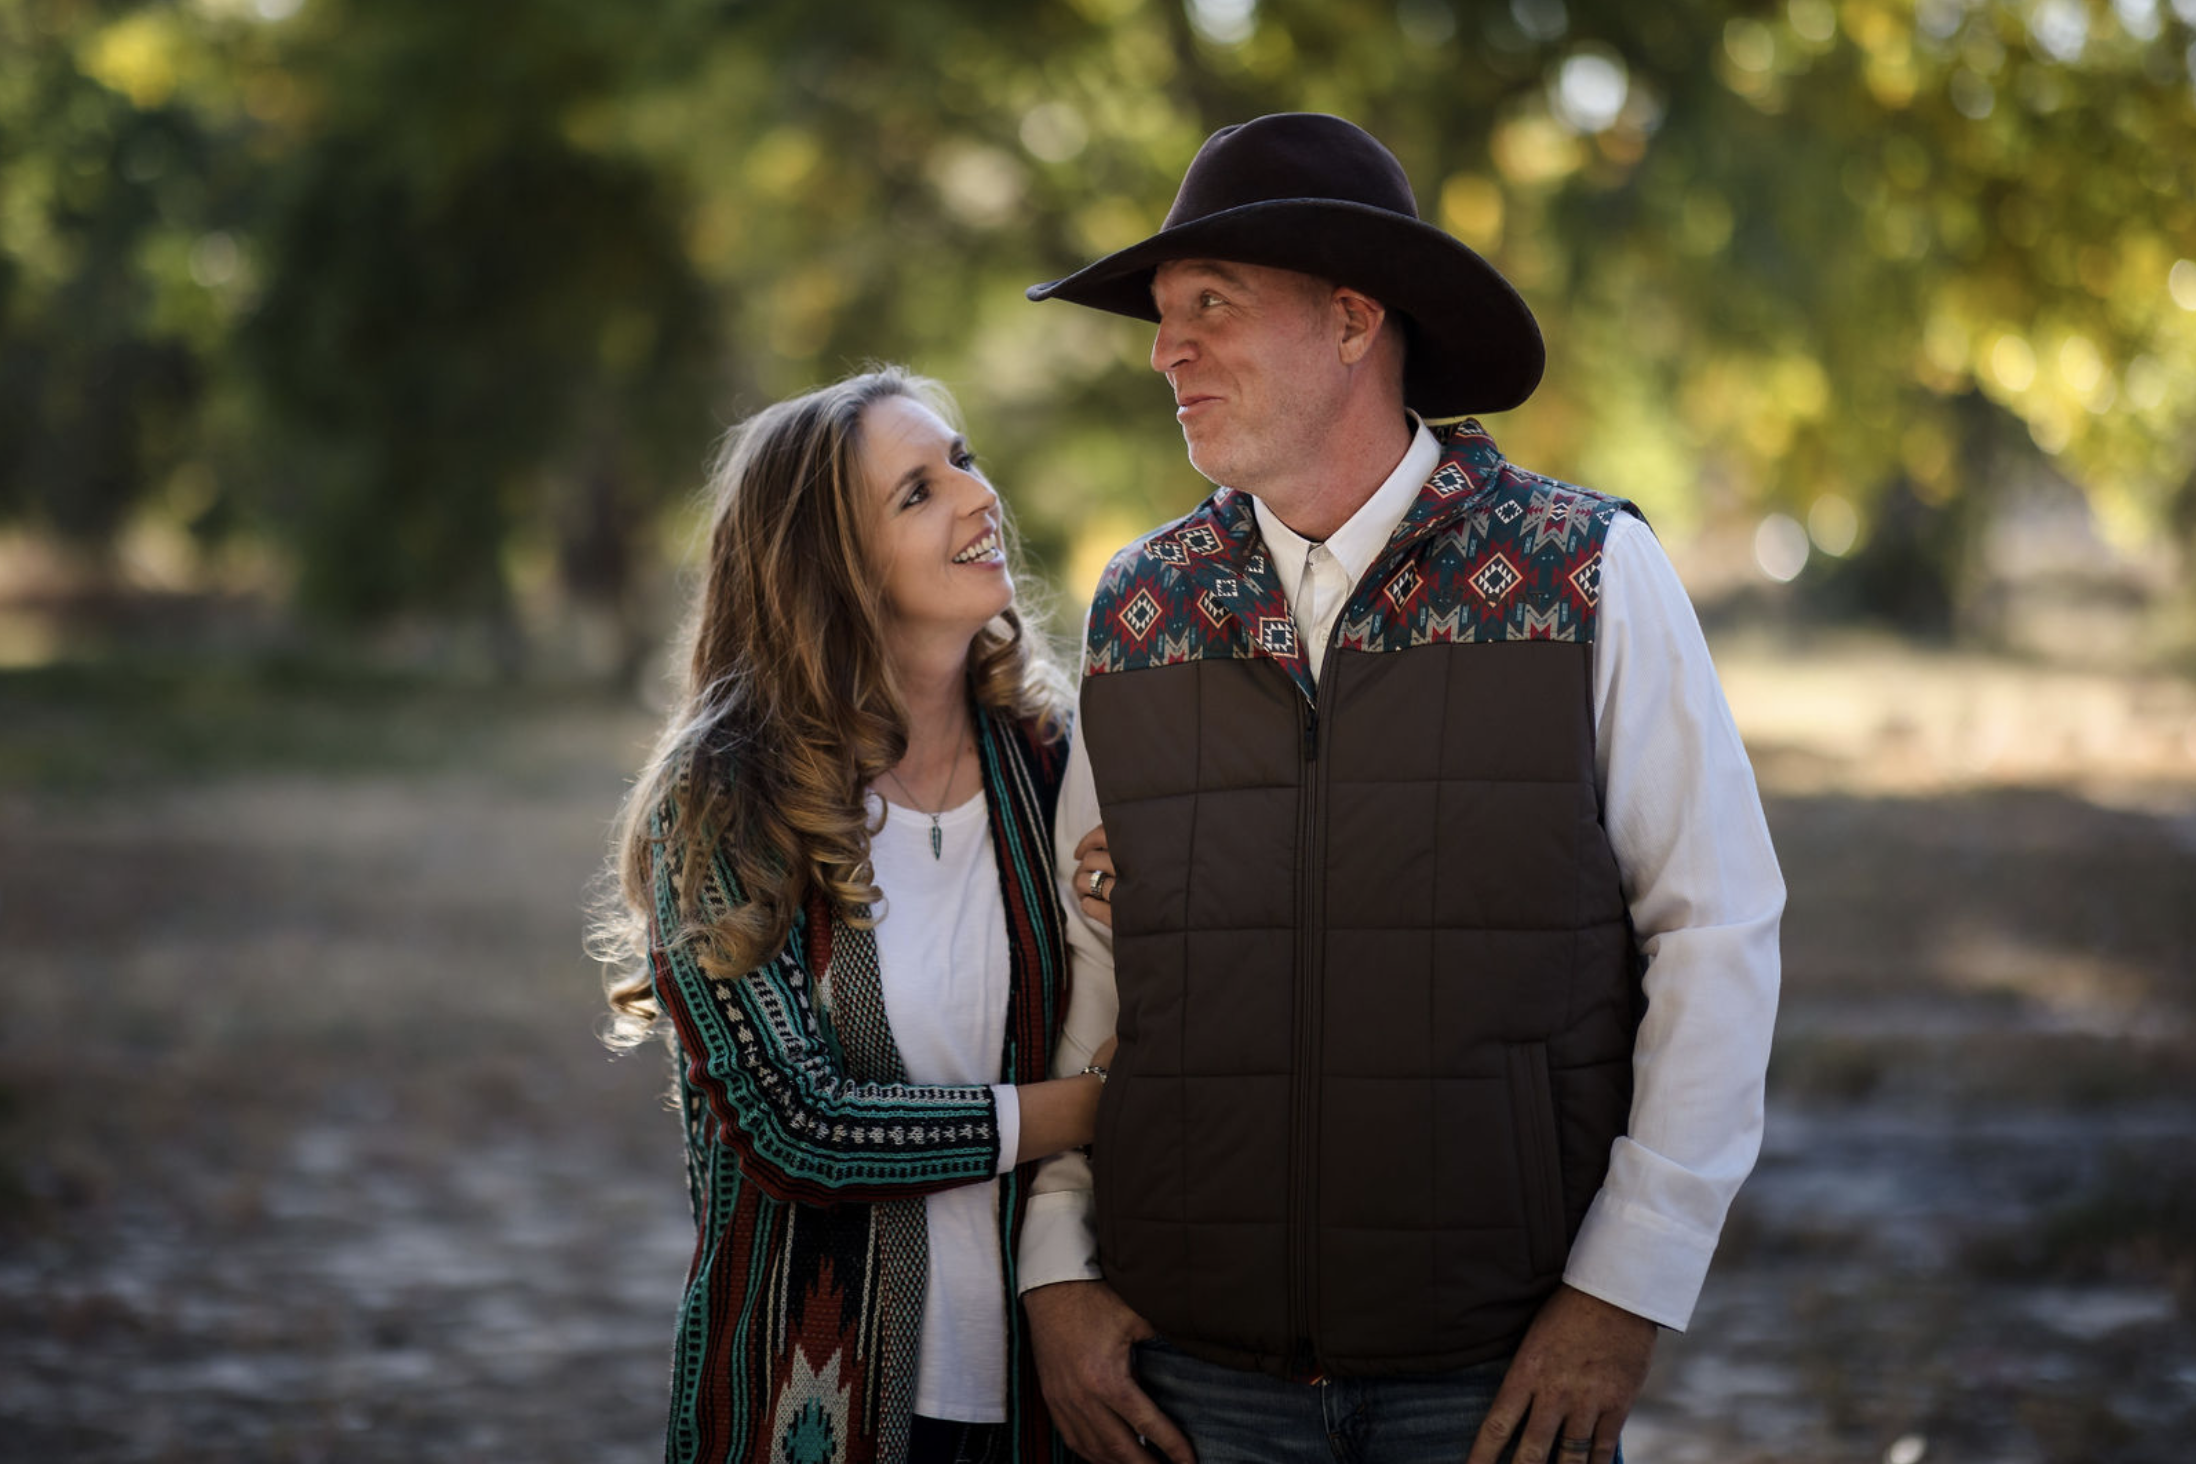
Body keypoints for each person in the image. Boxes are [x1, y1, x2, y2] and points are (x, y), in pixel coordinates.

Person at [1015, 113, 1786, 1464]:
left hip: (1492, 1380)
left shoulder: (1586, 575)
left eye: (1210, 306)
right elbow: (1097, 965)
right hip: (1188, 1379)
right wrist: (1058, 1263)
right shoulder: (1144, 608)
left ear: (1354, 318)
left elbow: (1715, 937)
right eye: (1159, 316)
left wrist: (1625, 1289)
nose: (1164, 350)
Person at [593, 366, 1113, 1464]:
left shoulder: (1052, 762)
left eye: (962, 461)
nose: (978, 498)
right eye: (917, 494)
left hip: (1045, 1403)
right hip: (807, 1411)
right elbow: (800, 1125)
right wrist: (1091, 1109)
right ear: (832, 566)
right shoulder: (724, 797)